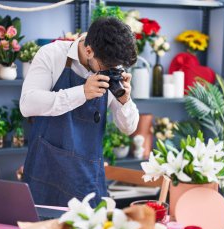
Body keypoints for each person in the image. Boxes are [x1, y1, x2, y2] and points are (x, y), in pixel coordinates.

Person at [20, 17, 139, 207]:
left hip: (87, 177)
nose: (112, 70)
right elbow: (27, 104)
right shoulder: (52, 55)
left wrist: (125, 100)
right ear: (88, 50)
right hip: (46, 169)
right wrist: (81, 93)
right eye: (107, 67)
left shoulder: (113, 66)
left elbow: (128, 128)